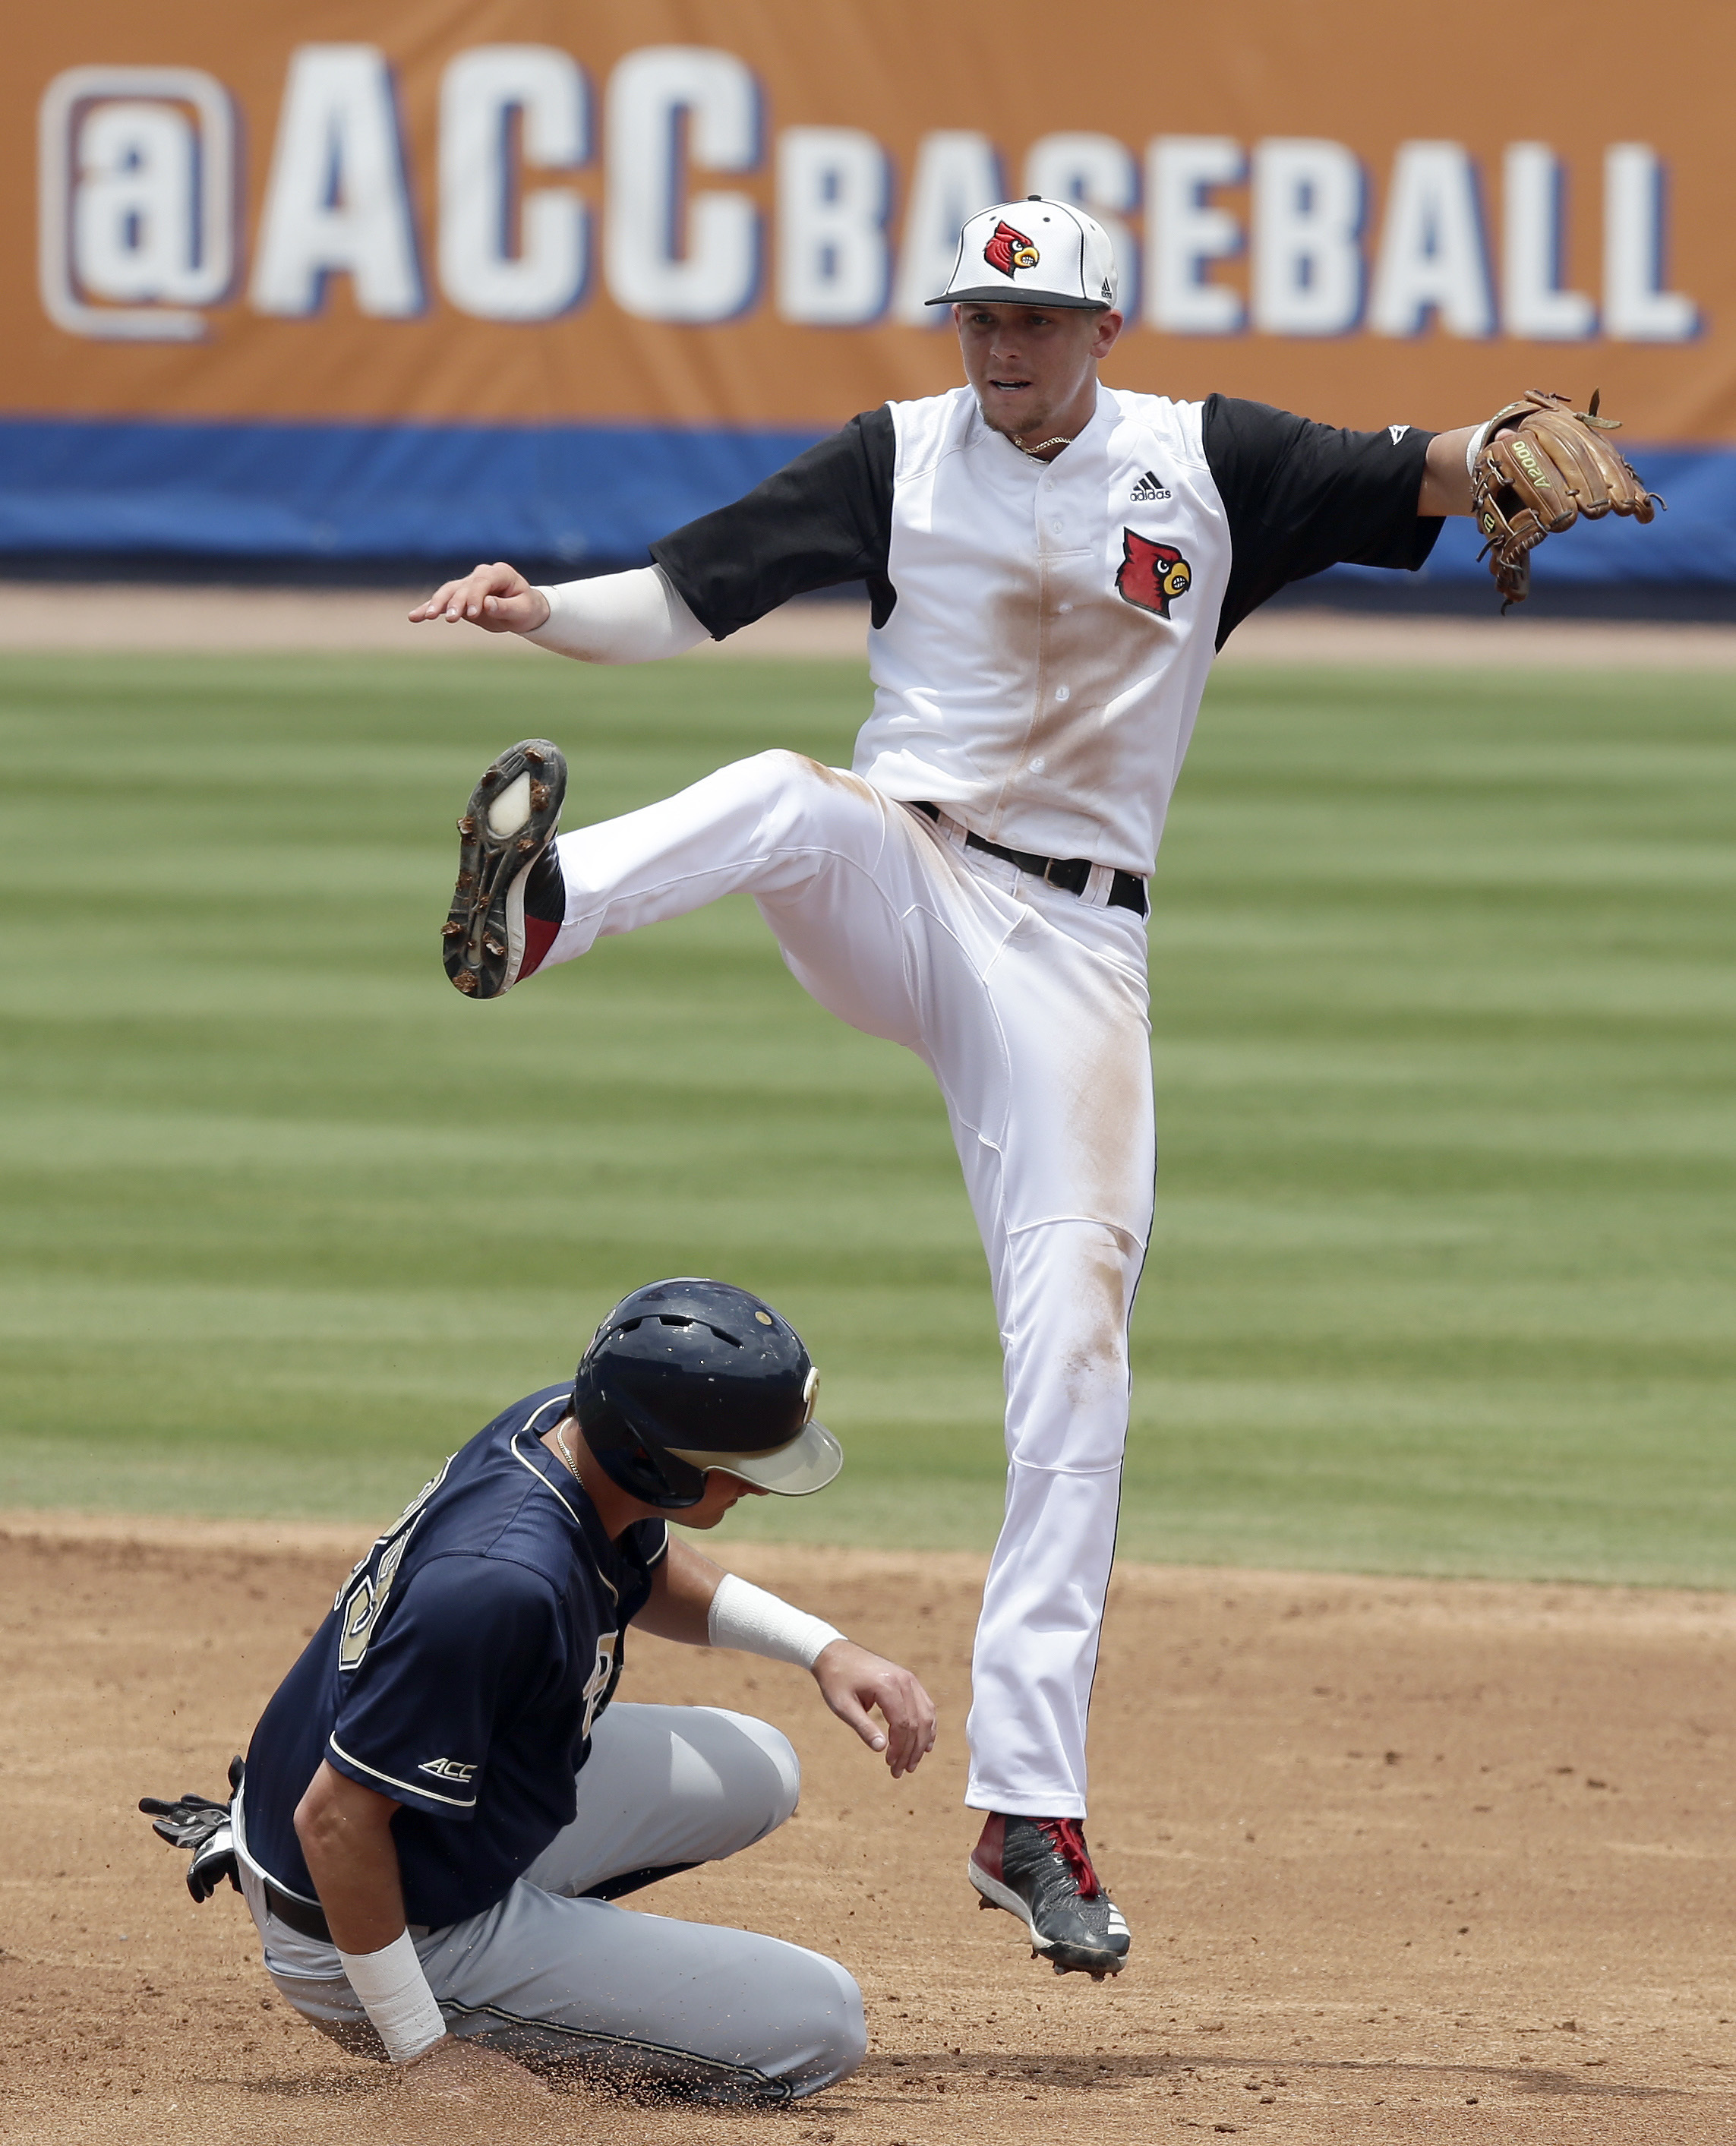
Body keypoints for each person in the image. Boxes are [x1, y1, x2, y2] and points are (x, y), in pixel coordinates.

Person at [408, 196, 1588, 1980]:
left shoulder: (1211, 463)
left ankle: (1026, 1808)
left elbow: (1413, 469)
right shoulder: (896, 456)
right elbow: (686, 597)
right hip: (899, 875)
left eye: (1034, 319)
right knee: (785, 793)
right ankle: (535, 914)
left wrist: (1493, 444)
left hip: (1074, 960)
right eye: (979, 317)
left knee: (1078, 1339)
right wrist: (537, 608)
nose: (1001, 346)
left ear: (1103, 326)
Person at [143, 1279, 936, 2101]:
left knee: (761, 1765)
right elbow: (336, 1822)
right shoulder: (501, 1584)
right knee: (821, 2025)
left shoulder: (571, 1429)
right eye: (736, 1468)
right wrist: (424, 2055)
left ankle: (548, 1956)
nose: (759, 1487)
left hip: (422, 1822)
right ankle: (489, 1989)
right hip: (369, 1916)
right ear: (653, 1461)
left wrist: (821, 1648)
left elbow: (646, 1560)